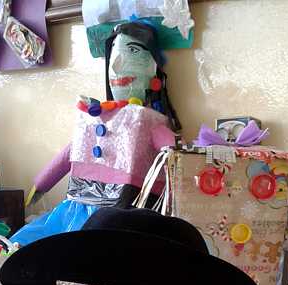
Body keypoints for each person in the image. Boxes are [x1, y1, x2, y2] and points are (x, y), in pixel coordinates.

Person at [12, 20, 180, 247]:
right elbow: (70, 153)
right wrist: (40, 185)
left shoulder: (149, 121)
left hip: (122, 216)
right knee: (27, 244)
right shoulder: (93, 113)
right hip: (75, 209)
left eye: (132, 51)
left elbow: (176, 156)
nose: (117, 65)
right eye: (113, 55)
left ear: (154, 67)